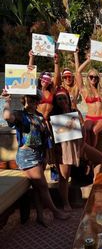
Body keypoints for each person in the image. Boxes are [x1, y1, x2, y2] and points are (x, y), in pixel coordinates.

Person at [2, 90, 68, 226]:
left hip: (39, 154)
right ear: (23, 100)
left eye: (33, 100)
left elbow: (46, 136)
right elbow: (8, 116)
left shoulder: (38, 116)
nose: (30, 102)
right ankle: (55, 211)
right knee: (43, 186)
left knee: (37, 188)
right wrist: (7, 100)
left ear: (37, 102)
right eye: (27, 99)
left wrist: (46, 155)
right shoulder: (21, 115)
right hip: (27, 156)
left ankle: (40, 216)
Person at [50, 87, 102, 211]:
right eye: (59, 99)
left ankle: (95, 187)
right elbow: (54, 137)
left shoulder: (76, 112)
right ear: (56, 101)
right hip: (64, 150)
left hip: (79, 145)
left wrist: (82, 146)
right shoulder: (55, 116)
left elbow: (83, 129)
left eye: (64, 98)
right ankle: (65, 203)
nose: (62, 100)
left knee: (99, 157)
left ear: (68, 99)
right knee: (64, 177)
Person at [76, 54, 102, 147]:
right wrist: (88, 60)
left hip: (101, 118)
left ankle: (93, 154)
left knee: (94, 130)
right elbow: (78, 72)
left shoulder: (101, 89)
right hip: (89, 117)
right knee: (85, 130)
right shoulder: (84, 90)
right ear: (88, 78)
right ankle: (85, 154)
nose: (93, 79)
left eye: (96, 77)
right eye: (91, 77)